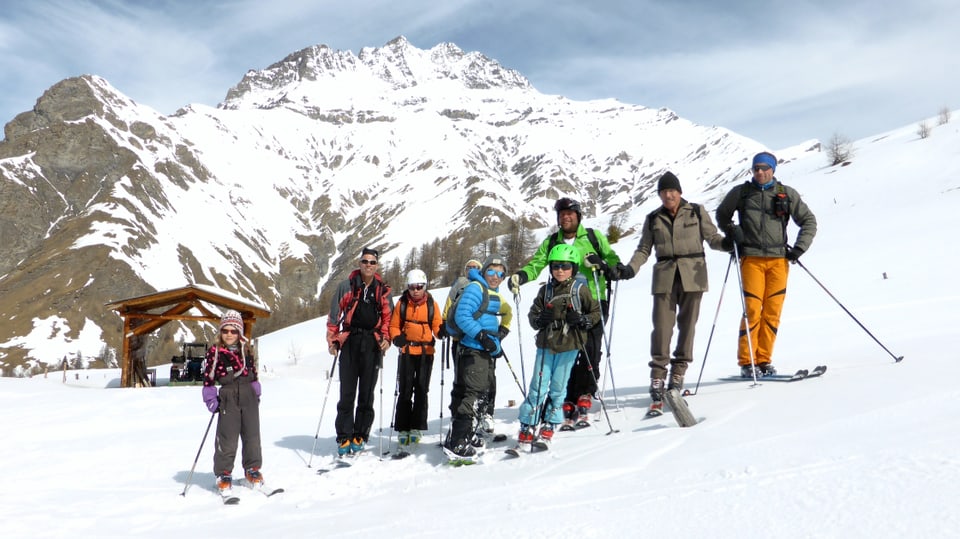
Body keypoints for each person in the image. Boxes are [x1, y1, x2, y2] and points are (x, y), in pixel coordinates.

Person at [509, 197, 633, 428]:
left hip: (593, 299)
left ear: (578, 216)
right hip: (561, 302)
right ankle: (566, 395)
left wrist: (604, 264)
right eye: (561, 214)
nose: (566, 217)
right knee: (565, 349)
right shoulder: (552, 241)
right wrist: (522, 276)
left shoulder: (593, 237)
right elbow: (536, 264)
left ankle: (585, 391)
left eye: (570, 214)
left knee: (591, 348)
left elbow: (613, 261)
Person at [625, 172, 727, 416]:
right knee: (661, 327)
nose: (668, 195)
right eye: (664, 191)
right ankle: (658, 377)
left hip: (693, 274)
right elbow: (644, 249)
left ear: (679, 192)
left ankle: (678, 373)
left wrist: (729, 243)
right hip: (665, 276)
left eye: (672, 191)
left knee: (687, 326)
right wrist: (631, 268)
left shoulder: (696, 211)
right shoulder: (653, 218)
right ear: (660, 194)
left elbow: (712, 238)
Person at [715, 152, 817, 377]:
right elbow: (722, 215)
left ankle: (763, 360)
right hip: (751, 259)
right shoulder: (741, 193)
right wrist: (732, 231)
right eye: (756, 169)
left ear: (773, 169)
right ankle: (747, 361)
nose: (759, 172)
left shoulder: (786, 194)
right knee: (752, 310)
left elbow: (808, 221)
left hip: (779, 261)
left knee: (772, 312)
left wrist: (799, 248)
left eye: (764, 168)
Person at [517, 244, 600, 449]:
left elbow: (595, 312)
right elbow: (532, 315)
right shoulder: (545, 291)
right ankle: (527, 423)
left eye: (565, 266)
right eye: (555, 266)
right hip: (546, 345)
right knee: (537, 387)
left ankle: (550, 423)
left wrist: (582, 320)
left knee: (557, 388)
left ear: (573, 268)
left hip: (569, 345)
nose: (560, 270)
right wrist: (539, 320)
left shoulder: (580, 290)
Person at [326, 247, 393, 456]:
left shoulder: (382, 289)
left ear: (377, 265)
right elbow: (334, 314)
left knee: (366, 393)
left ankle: (360, 435)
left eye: (372, 262)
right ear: (359, 263)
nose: (368, 265)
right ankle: (344, 436)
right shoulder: (346, 286)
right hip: (350, 341)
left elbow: (388, 318)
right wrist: (333, 340)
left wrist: (386, 340)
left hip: (372, 344)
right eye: (365, 261)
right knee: (347, 392)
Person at [445, 254, 510, 458]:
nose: (495, 276)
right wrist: (483, 337)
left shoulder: (489, 290)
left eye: (501, 273)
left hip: (480, 349)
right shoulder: (476, 288)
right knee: (473, 395)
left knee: (474, 392)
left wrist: (495, 342)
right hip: (474, 350)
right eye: (491, 271)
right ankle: (458, 443)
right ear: (484, 271)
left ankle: (465, 434)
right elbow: (461, 316)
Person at [201, 310, 263, 493]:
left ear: (240, 332)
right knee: (227, 437)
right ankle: (224, 473)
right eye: (225, 330)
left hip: (248, 395)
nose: (229, 334)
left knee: (252, 435)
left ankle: (252, 469)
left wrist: (256, 390)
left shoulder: (247, 349)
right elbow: (208, 378)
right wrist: (210, 397)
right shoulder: (215, 352)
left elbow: (254, 372)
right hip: (228, 396)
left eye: (233, 331)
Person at [389, 269, 443, 447]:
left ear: (425, 287)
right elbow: (394, 325)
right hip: (407, 351)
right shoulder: (402, 304)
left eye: (419, 287)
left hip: (425, 353)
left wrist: (441, 331)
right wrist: (397, 337)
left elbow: (436, 323)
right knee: (405, 390)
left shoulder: (431, 304)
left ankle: (417, 426)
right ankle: (403, 427)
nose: (416, 291)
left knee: (421, 389)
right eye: (412, 287)